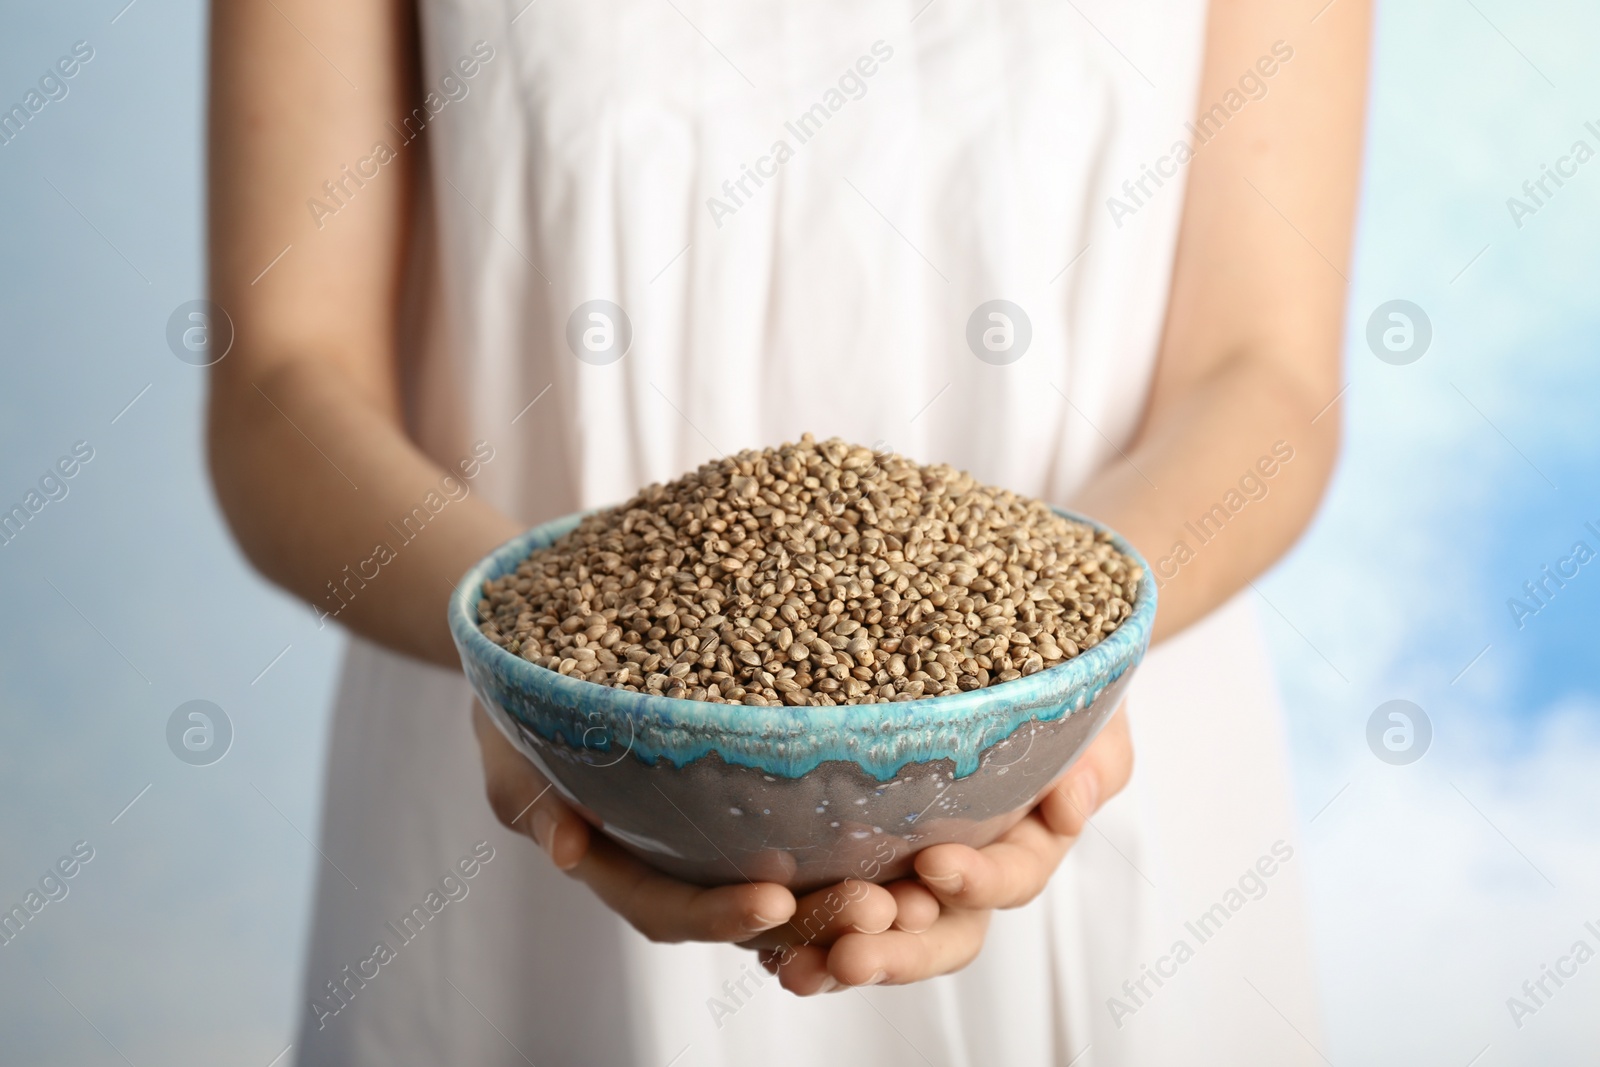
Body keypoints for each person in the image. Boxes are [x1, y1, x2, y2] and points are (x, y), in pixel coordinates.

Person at [207, 0, 1367, 1062]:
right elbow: (281, 383)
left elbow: (1261, 376)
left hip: (1090, 775)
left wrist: (1056, 689)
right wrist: (532, 682)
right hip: (517, 785)